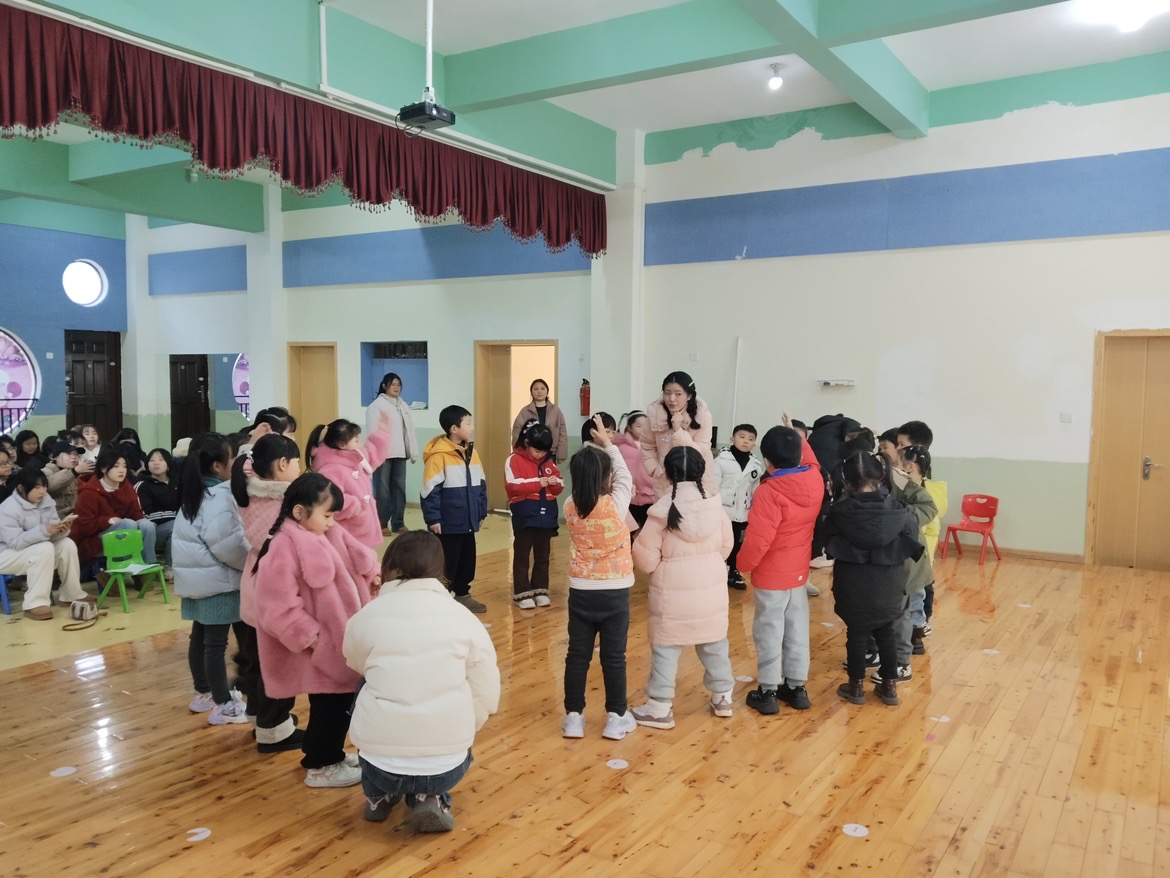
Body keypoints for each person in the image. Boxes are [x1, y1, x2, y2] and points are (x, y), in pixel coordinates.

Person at [344, 531, 501, 832]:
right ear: (439, 571)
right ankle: (431, 796)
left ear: (390, 568)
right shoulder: (463, 617)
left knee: (365, 682)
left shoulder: (367, 615)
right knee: (461, 692)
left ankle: (377, 797)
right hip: (446, 764)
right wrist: (465, 726)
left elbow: (353, 660)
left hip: (379, 765)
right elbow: (486, 688)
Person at [252, 473, 380, 788]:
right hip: (320, 649)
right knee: (331, 706)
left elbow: (360, 558)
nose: (331, 521)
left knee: (337, 704)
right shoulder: (283, 546)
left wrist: (374, 575)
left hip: (339, 642)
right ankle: (321, 765)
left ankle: (327, 754)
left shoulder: (327, 531)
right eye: (326, 514)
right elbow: (276, 606)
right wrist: (313, 640)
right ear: (299, 511)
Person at [630, 446, 735, 729]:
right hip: (711, 589)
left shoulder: (661, 511)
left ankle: (659, 708)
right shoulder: (715, 506)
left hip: (672, 592)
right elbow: (726, 546)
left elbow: (645, 559)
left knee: (666, 648)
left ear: (668, 473)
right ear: (702, 471)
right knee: (714, 643)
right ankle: (723, 698)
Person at [824, 452, 924, 707]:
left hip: (852, 583)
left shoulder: (839, 512)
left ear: (846, 479)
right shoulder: (898, 510)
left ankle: (855, 686)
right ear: (880, 476)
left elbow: (825, 539)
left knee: (856, 633)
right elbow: (912, 538)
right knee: (886, 631)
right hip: (889, 582)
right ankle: (889, 688)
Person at [737, 422, 823, 715]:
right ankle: (796, 688)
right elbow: (811, 459)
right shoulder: (814, 479)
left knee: (769, 630)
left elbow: (758, 540)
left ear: (767, 461)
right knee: (797, 628)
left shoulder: (769, 491)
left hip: (771, 577)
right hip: (798, 575)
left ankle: (768, 691)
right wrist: (796, 436)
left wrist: (742, 565)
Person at [561, 415, 637, 741]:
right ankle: (615, 718)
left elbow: (617, 478)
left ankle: (573, 717)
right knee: (613, 657)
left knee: (577, 656)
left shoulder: (569, 506)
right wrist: (609, 444)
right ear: (607, 477)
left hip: (581, 590)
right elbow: (626, 476)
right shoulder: (616, 505)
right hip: (615, 592)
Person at [230, 433, 305, 753]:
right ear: (283, 464)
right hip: (274, 593)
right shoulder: (281, 504)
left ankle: (260, 719)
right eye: (297, 462)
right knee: (278, 666)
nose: (301, 468)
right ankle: (274, 730)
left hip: (253, 588)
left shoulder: (249, 489)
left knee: (256, 663)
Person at [171, 433, 250, 725]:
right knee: (215, 645)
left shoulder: (195, 492)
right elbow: (228, 545)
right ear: (218, 466)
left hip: (198, 580)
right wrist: (251, 563)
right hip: (217, 582)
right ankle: (223, 705)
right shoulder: (219, 496)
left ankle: (203, 693)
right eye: (232, 458)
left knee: (201, 638)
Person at [420, 405, 488, 614]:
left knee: (467, 560)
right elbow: (429, 490)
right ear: (454, 429)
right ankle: (440, 598)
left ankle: (462, 595)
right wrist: (433, 518)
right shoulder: (438, 456)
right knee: (447, 562)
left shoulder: (472, 453)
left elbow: (481, 485)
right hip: (448, 522)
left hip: (468, 520)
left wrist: (481, 511)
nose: (472, 427)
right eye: (468, 423)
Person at [0, 466, 91, 620]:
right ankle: (34, 604)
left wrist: (60, 530)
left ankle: (71, 594)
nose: (42, 491)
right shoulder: (8, 508)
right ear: (21, 488)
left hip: (36, 550)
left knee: (66, 544)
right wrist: (45, 531)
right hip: (6, 554)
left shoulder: (46, 501)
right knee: (44, 548)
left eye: (44, 486)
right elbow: (15, 542)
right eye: (37, 487)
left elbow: (49, 533)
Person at [72, 444, 158, 576]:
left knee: (146, 524)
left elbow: (136, 514)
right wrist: (108, 520)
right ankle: (126, 566)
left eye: (124, 466)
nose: (121, 470)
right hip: (93, 540)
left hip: (122, 531)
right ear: (103, 468)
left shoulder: (126, 487)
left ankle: (148, 567)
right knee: (128, 524)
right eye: (116, 466)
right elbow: (85, 527)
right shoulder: (89, 492)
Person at [306, 418, 391, 550]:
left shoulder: (354, 459)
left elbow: (371, 453)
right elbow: (330, 500)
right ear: (342, 444)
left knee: (364, 556)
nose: (359, 444)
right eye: (356, 441)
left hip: (361, 527)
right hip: (348, 531)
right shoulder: (331, 469)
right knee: (351, 557)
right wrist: (355, 507)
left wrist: (381, 434)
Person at [505, 421, 563, 609]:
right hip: (525, 514)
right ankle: (522, 593)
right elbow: (512, 486)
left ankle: (540, 590)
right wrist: (539, 482)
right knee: (522, 556)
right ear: (527, 443)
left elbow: (560, 485)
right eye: (537, 450)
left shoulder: (548, 462)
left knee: (543, 556)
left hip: (546, 515)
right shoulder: (514, 460)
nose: (540, 455)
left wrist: (554, 482)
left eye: (544, 451)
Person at [640, 371, 717, 499]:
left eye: (678, 394)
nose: (672, 399)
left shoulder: (702, 415)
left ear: (689, 395)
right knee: (664, 510)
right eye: (667, 393)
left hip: (697, 479)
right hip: (665, 480)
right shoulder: (654, 414)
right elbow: (647, 445)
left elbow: (701, 450)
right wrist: (654, 469)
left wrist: (678, 431)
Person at [900, 445, 948, 644]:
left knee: (918, 595)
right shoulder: (916, 490)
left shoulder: (918, 493)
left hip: (919, 551)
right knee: (918, 594)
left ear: (910, 466)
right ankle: (917, 629)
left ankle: (917, 632)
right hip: (919, 552)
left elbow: (928, 525)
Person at [713, 423, 764, 590]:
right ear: (732, 439)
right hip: (722, 512)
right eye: (741, 437)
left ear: (754, 444)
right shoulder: (720, 461)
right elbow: (712, 487)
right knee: (720, 542)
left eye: (750, 439)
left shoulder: (756, 466)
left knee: (737, 544)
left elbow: (756, 491)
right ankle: (716, 571)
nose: (745, 441)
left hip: (743, 513)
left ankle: (733, 571)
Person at [365, 372, 418, 534]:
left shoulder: (403, 405)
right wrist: (376, 452)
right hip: (383, 454)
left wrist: (412, 450)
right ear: (384, 386)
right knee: (383, 490)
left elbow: (409, 430)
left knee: (399, 488)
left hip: (400, 452)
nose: (396, 387)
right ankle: (382, 524)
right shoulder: (376, 406)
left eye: (398, 385)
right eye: (393, 384)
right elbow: (373, 432)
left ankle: (398, 522)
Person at [136, 448, 180, 570]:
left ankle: (171, 568)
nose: (156, 463)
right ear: (147, 464)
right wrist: (175, 516)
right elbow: (145, 514)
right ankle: (161, 567)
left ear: (168, 463)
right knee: (176, 525)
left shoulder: (177, 483)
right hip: (152, 531)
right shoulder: (142, 485)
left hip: (175, 525)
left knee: (180, 526)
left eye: (161, 460)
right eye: (152, 460)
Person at [511, 379, 569, 464]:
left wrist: (561, 455)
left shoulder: (556, 411)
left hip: (550, 453)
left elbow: (562, 433)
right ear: (531, 392)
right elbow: (517, 432)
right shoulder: (525, 411)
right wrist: (520, 451)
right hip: (530, 454)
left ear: (547, 391)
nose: (539, 392)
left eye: (542, 388)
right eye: (536, 389)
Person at [615, 412, 655, 531]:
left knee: (648, 531)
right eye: (639, 426)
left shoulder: (653, 446)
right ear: (629, 428)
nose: (643, 429)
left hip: (650, 496)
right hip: (629, 496)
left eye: (646, 426)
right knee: (627, 531)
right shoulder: (621, 448)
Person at [42, 439, 94, 519]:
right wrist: (74, 472)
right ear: (55, 457)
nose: (73, 457)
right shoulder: (45, 472)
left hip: (78, 516)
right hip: (57, 519)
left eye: (76, 454)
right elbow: (51, 487)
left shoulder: (78, 472)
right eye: (68, 454)